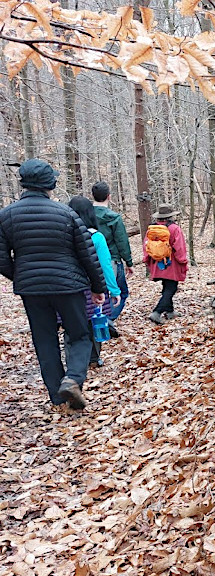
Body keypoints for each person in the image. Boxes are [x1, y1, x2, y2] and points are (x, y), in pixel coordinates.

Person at [0, 159, 106, 409]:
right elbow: (87, 254)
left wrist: (22, 276)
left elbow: (1, 258)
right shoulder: (66, 214)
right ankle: (73, 379)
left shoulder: (6, 215)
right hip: (68, 286)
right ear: (50, 184)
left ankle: (57, 396)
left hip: (32, 290)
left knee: (44, 338)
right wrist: (97, 287)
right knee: (79, 334)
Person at [69, 196, 121, 366]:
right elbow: (105, 265)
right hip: (93, 287)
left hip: (69, 287)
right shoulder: (96, 237)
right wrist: (114, 290)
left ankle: (73, 360)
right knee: (94, 321)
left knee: (71, 325)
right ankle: (93, 358)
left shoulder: (63, 235)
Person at [92, 181, 133, 326]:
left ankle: (98, 318)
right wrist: (129, 262)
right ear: (109, 197)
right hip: (112, 259)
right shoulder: (113, 217)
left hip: (88, 259)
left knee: (95, 292)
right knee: (121, 292)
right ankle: (107, 320)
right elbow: (122, 241)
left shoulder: (85, 214)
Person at [144, 204, 188, 325]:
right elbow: (179, 247)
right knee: (172, 287)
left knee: (166, 286)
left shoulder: (152, 229)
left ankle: (170, 311)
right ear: (170, 216)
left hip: (157, 263)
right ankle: (156, 312)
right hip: (171, 264)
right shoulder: (174, 228)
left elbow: (146, 246)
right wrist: (183, 261)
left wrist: (147, 261)